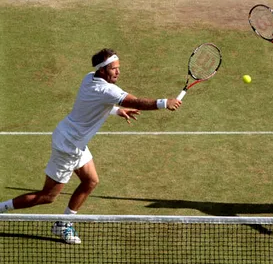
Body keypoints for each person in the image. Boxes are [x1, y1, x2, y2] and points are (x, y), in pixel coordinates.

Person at [0, 48, 182, 244]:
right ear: (103, 70)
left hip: (72, 139)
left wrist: (116, 111)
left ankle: (63, 223)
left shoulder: (90, 78)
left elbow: (95, 103)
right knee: (47, 196)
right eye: (114, 69)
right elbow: (136, 101)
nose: (118, 72)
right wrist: (165, 103)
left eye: (118, 68)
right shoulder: (106, 90)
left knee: (90, 181)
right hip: (68, 146)